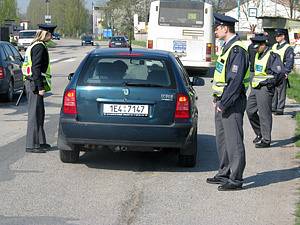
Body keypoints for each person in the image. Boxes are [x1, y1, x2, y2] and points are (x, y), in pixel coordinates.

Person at [207, 13, 250, 191]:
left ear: (225, 28)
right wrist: (217, 99)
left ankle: (236, 179)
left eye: (217, 28)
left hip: (231, 102)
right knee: (223, 140)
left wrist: (224, 103)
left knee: (234, 141)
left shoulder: (237, 50)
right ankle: (224, 172)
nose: (215, 31)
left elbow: (235, 82)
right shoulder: (227, 48)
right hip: (222, 101)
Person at [22, 24, 57, 153]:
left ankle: (41, 142)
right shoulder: (39, 47)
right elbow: (36, 68)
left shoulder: (36, 45)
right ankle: (32, 144)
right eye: (51, 34)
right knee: (34, 114)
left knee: (40, 113)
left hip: (33, 82)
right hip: (34, 83)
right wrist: (40, 87)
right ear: (45, 34)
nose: (52, 36)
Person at [246, 34, 285, 148]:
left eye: (257, 47)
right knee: (250, 111)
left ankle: (266, 140)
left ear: (263, 45)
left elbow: (280, 73)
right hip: (255, 88)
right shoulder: (258, 54)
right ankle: (260, 133)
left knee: (264, 114)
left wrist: (269, 84)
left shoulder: (272, 56)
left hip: (264, 88)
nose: (256, 49)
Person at [271, 28, 294, 115]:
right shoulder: (274, 46)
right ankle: (273, 107)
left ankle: (280, 109)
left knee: (281, 91)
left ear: (283, 36)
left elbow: (289, 61)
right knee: (274, 91)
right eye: (276, 36)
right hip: (273, 72)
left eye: (278, 36)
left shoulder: (288, 48)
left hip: (282, 72)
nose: (276, 37)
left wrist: (286, 72)